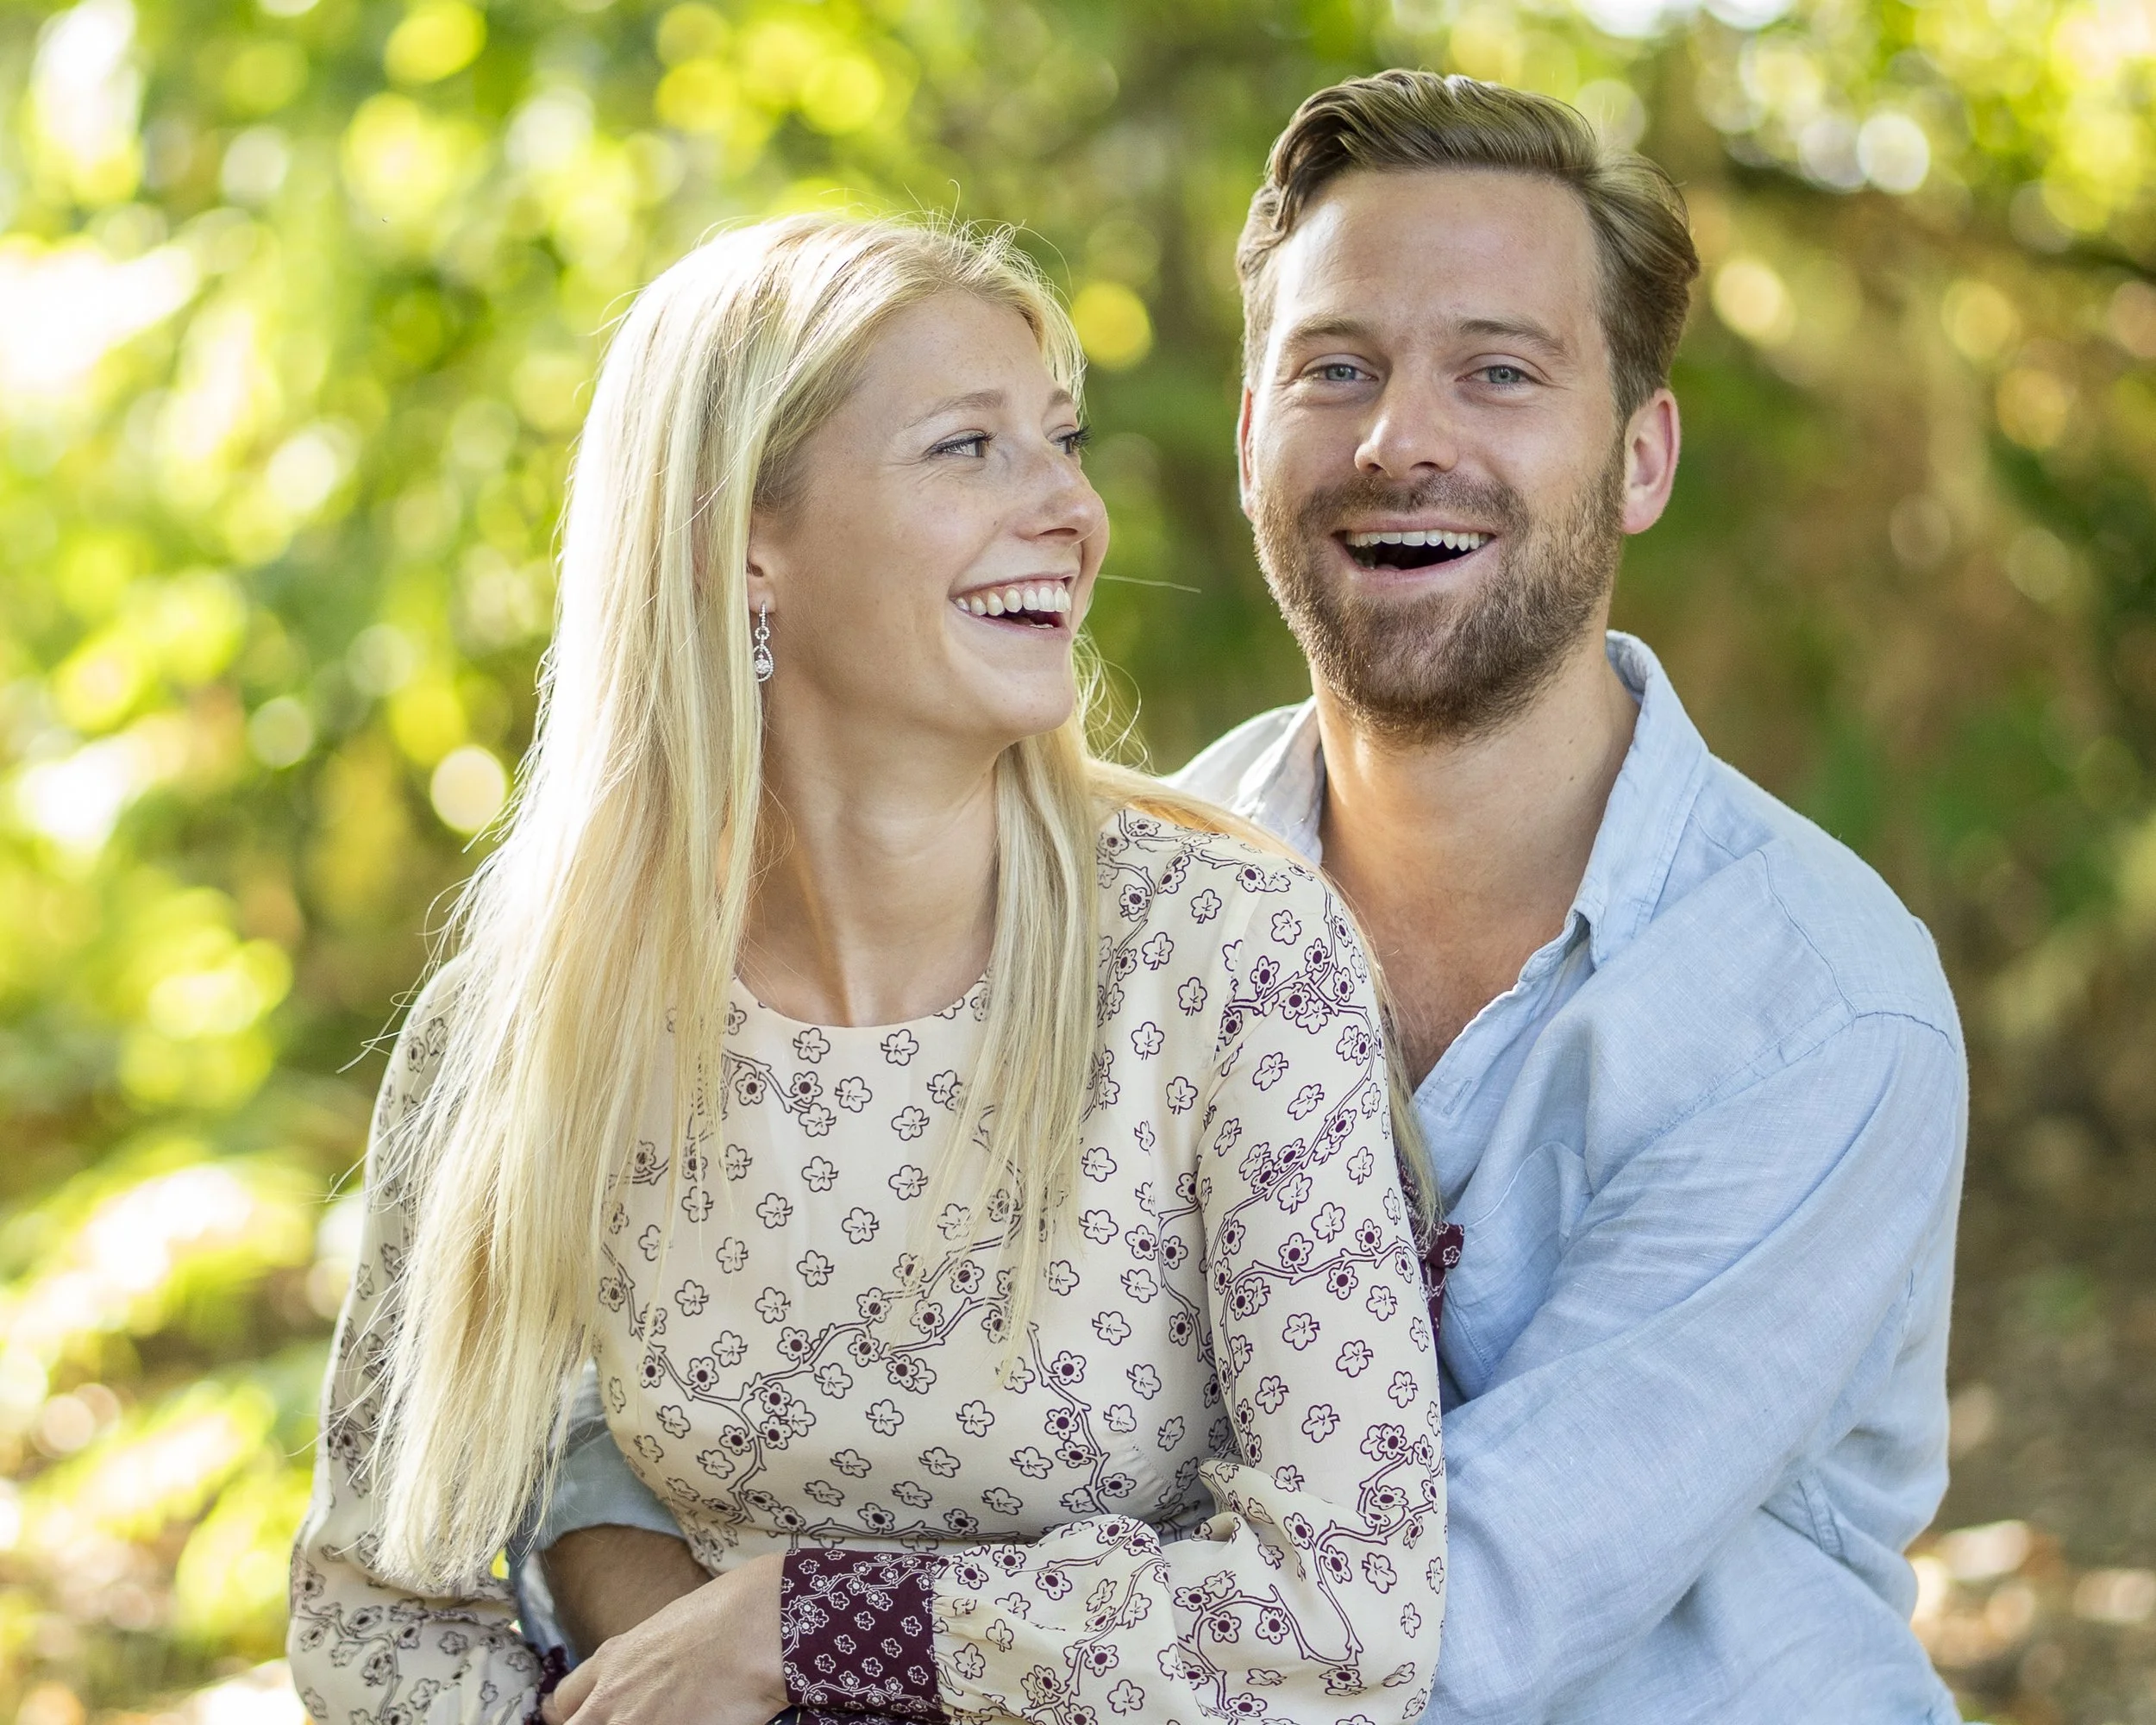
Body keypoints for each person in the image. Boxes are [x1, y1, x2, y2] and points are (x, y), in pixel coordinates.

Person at [527, 76, 1968, 1723]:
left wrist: (821, 1630)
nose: (1400, 439)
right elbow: (733, 1402)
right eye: (1335, 369)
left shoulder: (1815, 1010)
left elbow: (1449, 1624)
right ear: (1246, 437)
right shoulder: (1111, 900)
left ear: (1639, 458)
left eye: (1498, 372)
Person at [286, 214, 1454, 1725]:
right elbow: (381, 1612)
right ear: (742, 538)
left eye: (1062, 442)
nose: (1072, 512)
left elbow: (1348, 1611)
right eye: (969, 450)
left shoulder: (1232, 962)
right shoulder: (531, 1026)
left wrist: (811, 1629)